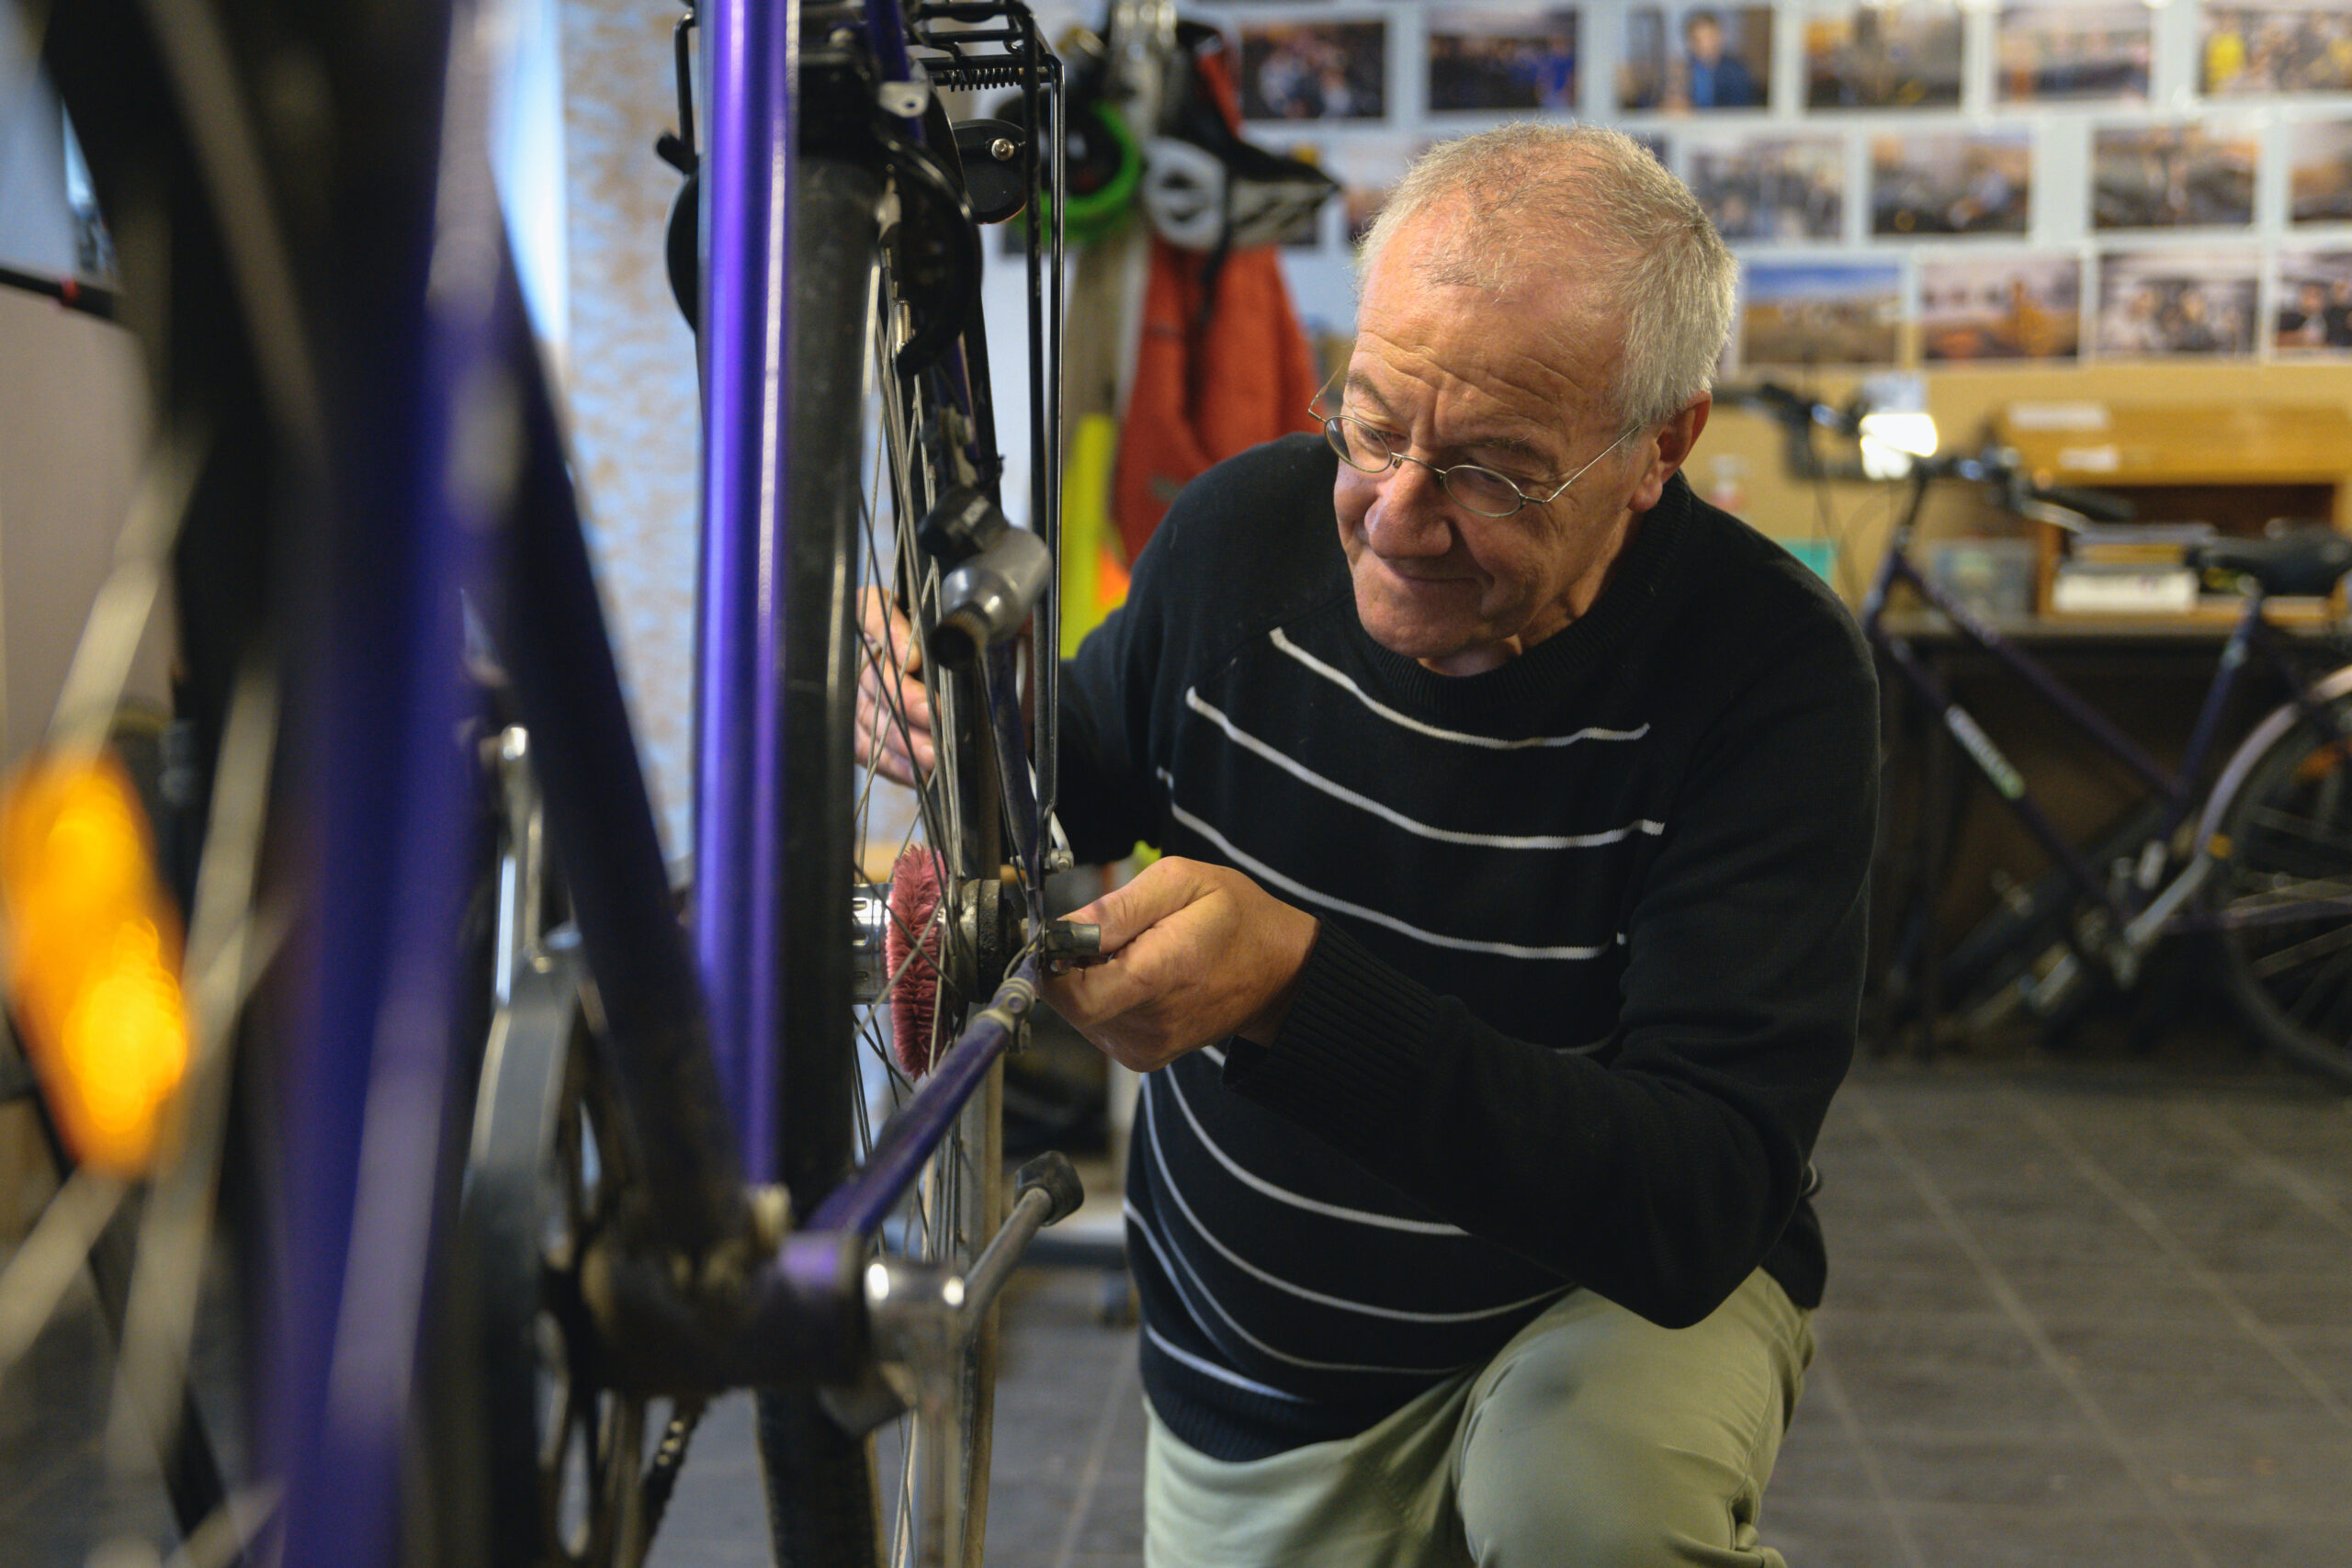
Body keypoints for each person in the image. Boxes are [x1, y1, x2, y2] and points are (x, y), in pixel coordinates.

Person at [862, 123, 1877, 1566]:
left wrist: (1295, 994)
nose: (1397, 514)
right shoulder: (1243, 539)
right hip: (1260, 1352)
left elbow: (1700, 1197)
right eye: (1378, 421)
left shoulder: (1772, 676)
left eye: (1496, 473)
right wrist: (959, 730)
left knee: (1588, 1509)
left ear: (1662, 447)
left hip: (1597, 1298)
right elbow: (1070, 780)